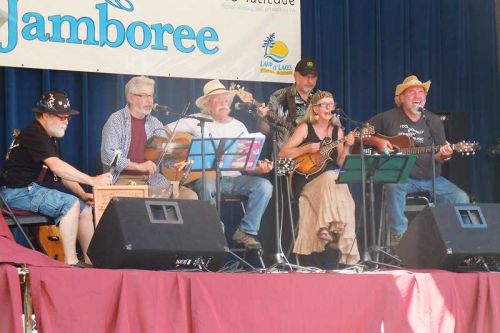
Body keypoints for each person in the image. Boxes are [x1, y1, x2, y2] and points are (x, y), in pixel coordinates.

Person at [0, 91, 113, 266]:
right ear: (45, 115)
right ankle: (71, 263)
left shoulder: (49, 137)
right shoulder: (34, 133)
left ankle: (92, 263)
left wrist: (83, 194)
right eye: (62, 117)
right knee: (70, 205)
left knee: (83, 209)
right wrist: (92, 180)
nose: (66, 122)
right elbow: (57, 167)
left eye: (68, 118)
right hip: (17, 193)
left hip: (30, 191)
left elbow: (61, 173)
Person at [166, 79, 273, 250]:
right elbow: (166, 131)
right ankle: (214, 229)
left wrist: (258, 168)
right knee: (207, 185)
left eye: (226, 99)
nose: (223, 103)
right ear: (207, 104)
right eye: (217, 99)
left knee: (264, 186)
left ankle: (246, 231)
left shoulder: (239, 126)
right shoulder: (195, 120)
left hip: (235, 179)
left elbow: (245, 163)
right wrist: (185, 149)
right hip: (206, 179)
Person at [366, 75, 470, 246]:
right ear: (402, 98)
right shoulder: (387, 118)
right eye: (412, 92)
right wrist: (378, 142)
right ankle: (400, 239)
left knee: (461, 198)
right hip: (403, 178)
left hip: (432, 179)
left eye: (421, 92)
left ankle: (454, 243)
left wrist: (445, 154)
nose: (417, 96)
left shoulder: (433, 121)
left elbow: (439, 156)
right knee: (393, 185)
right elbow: (361, 134)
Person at [279, 90, 360, 265]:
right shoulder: (305, 128)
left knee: (339, 177)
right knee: (335, 177)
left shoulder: (338, 131)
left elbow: (341, 162)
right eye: (325, 104)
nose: (329, 108)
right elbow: (283, 153)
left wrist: (346, 146)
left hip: (330, 179)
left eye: (331, 105)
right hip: (307, 180)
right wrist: (306, 149)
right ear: (315, 109)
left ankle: (330, 230)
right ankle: (335, 232)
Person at [101, 76, 197, 199]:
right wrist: (138, 166)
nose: (149, 101)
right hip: (122, 179)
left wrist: (177, 162)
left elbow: (165, 157)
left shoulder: (155, 123)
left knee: (189, 196)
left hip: (153, 180)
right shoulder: (116, 120)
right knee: (140, 202)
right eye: (144, 96)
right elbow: (108, 156)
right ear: (130, 97)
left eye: (151, 96)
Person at [257, 58, 319, 146]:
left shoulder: (319, 100)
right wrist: (263, 117)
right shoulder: (279, 96)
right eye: (306, 76)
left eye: (313, 77)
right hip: (284, 158)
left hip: (312, 157)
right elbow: (263, 131)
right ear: (296, 76)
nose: (310, 81)